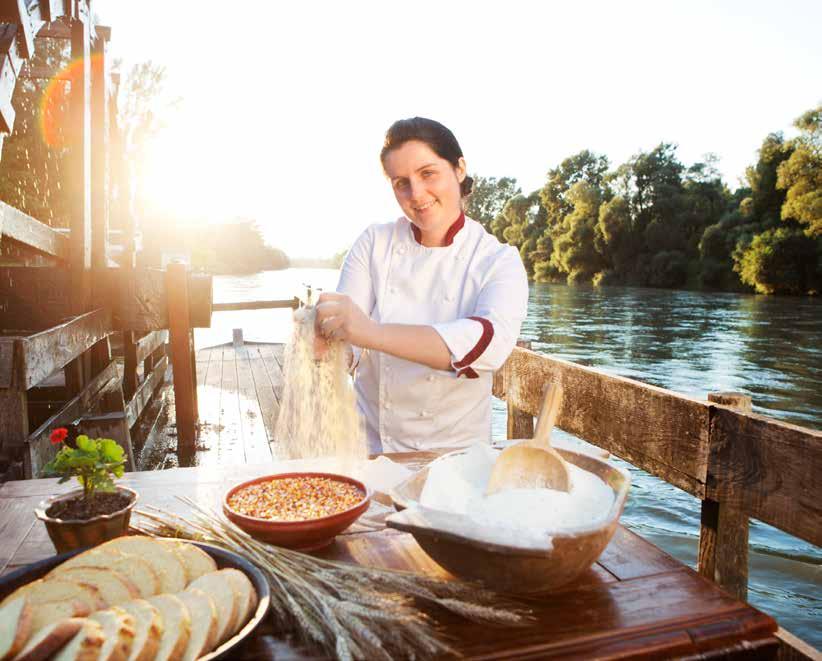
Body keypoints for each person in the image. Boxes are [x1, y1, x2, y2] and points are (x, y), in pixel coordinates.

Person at [315, 117, 528, 454]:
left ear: (459, 169)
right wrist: (322, 345)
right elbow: (345, 348)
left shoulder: (498, 260)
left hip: (455, 463)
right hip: (370, 451)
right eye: (401, 182)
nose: (416, 194)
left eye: (428, 173)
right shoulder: (374, 243)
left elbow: (485, 346)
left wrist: (366, 331)